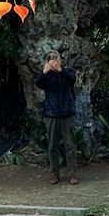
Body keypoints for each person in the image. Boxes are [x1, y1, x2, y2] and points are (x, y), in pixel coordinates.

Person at [35, 50, 78, 184]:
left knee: (70, 145)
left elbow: (72, 79)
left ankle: (72, 174)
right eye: (50, 58)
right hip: (52, 113)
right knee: (52, 145)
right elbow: (38, 83)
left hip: (67, 112)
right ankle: (55, 173)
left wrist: (60, 69)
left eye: (55, 57)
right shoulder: (46, 76)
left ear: (60, 59)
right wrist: (45, 71)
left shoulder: (67, 72)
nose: (53, 60)